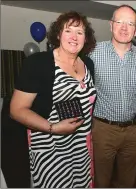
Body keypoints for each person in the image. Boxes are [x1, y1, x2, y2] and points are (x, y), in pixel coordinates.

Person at [10, 11, 97, 188]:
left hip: (80, 149)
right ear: (58, 34)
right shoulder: (38, 63)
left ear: (85, 38)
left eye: (79, 32)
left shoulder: (88, 64)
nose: (74, 37)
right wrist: (54, 128)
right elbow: (16, 110)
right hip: (50, 150)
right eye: (68, 31)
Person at [88, 4, 136, 188]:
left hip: (133, 131)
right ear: (110, 25)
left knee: (128, 182)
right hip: (103, 129)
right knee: (101, 181)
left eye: (130, 23)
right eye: (119, 22)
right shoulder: (93, 52)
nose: (124, 27)